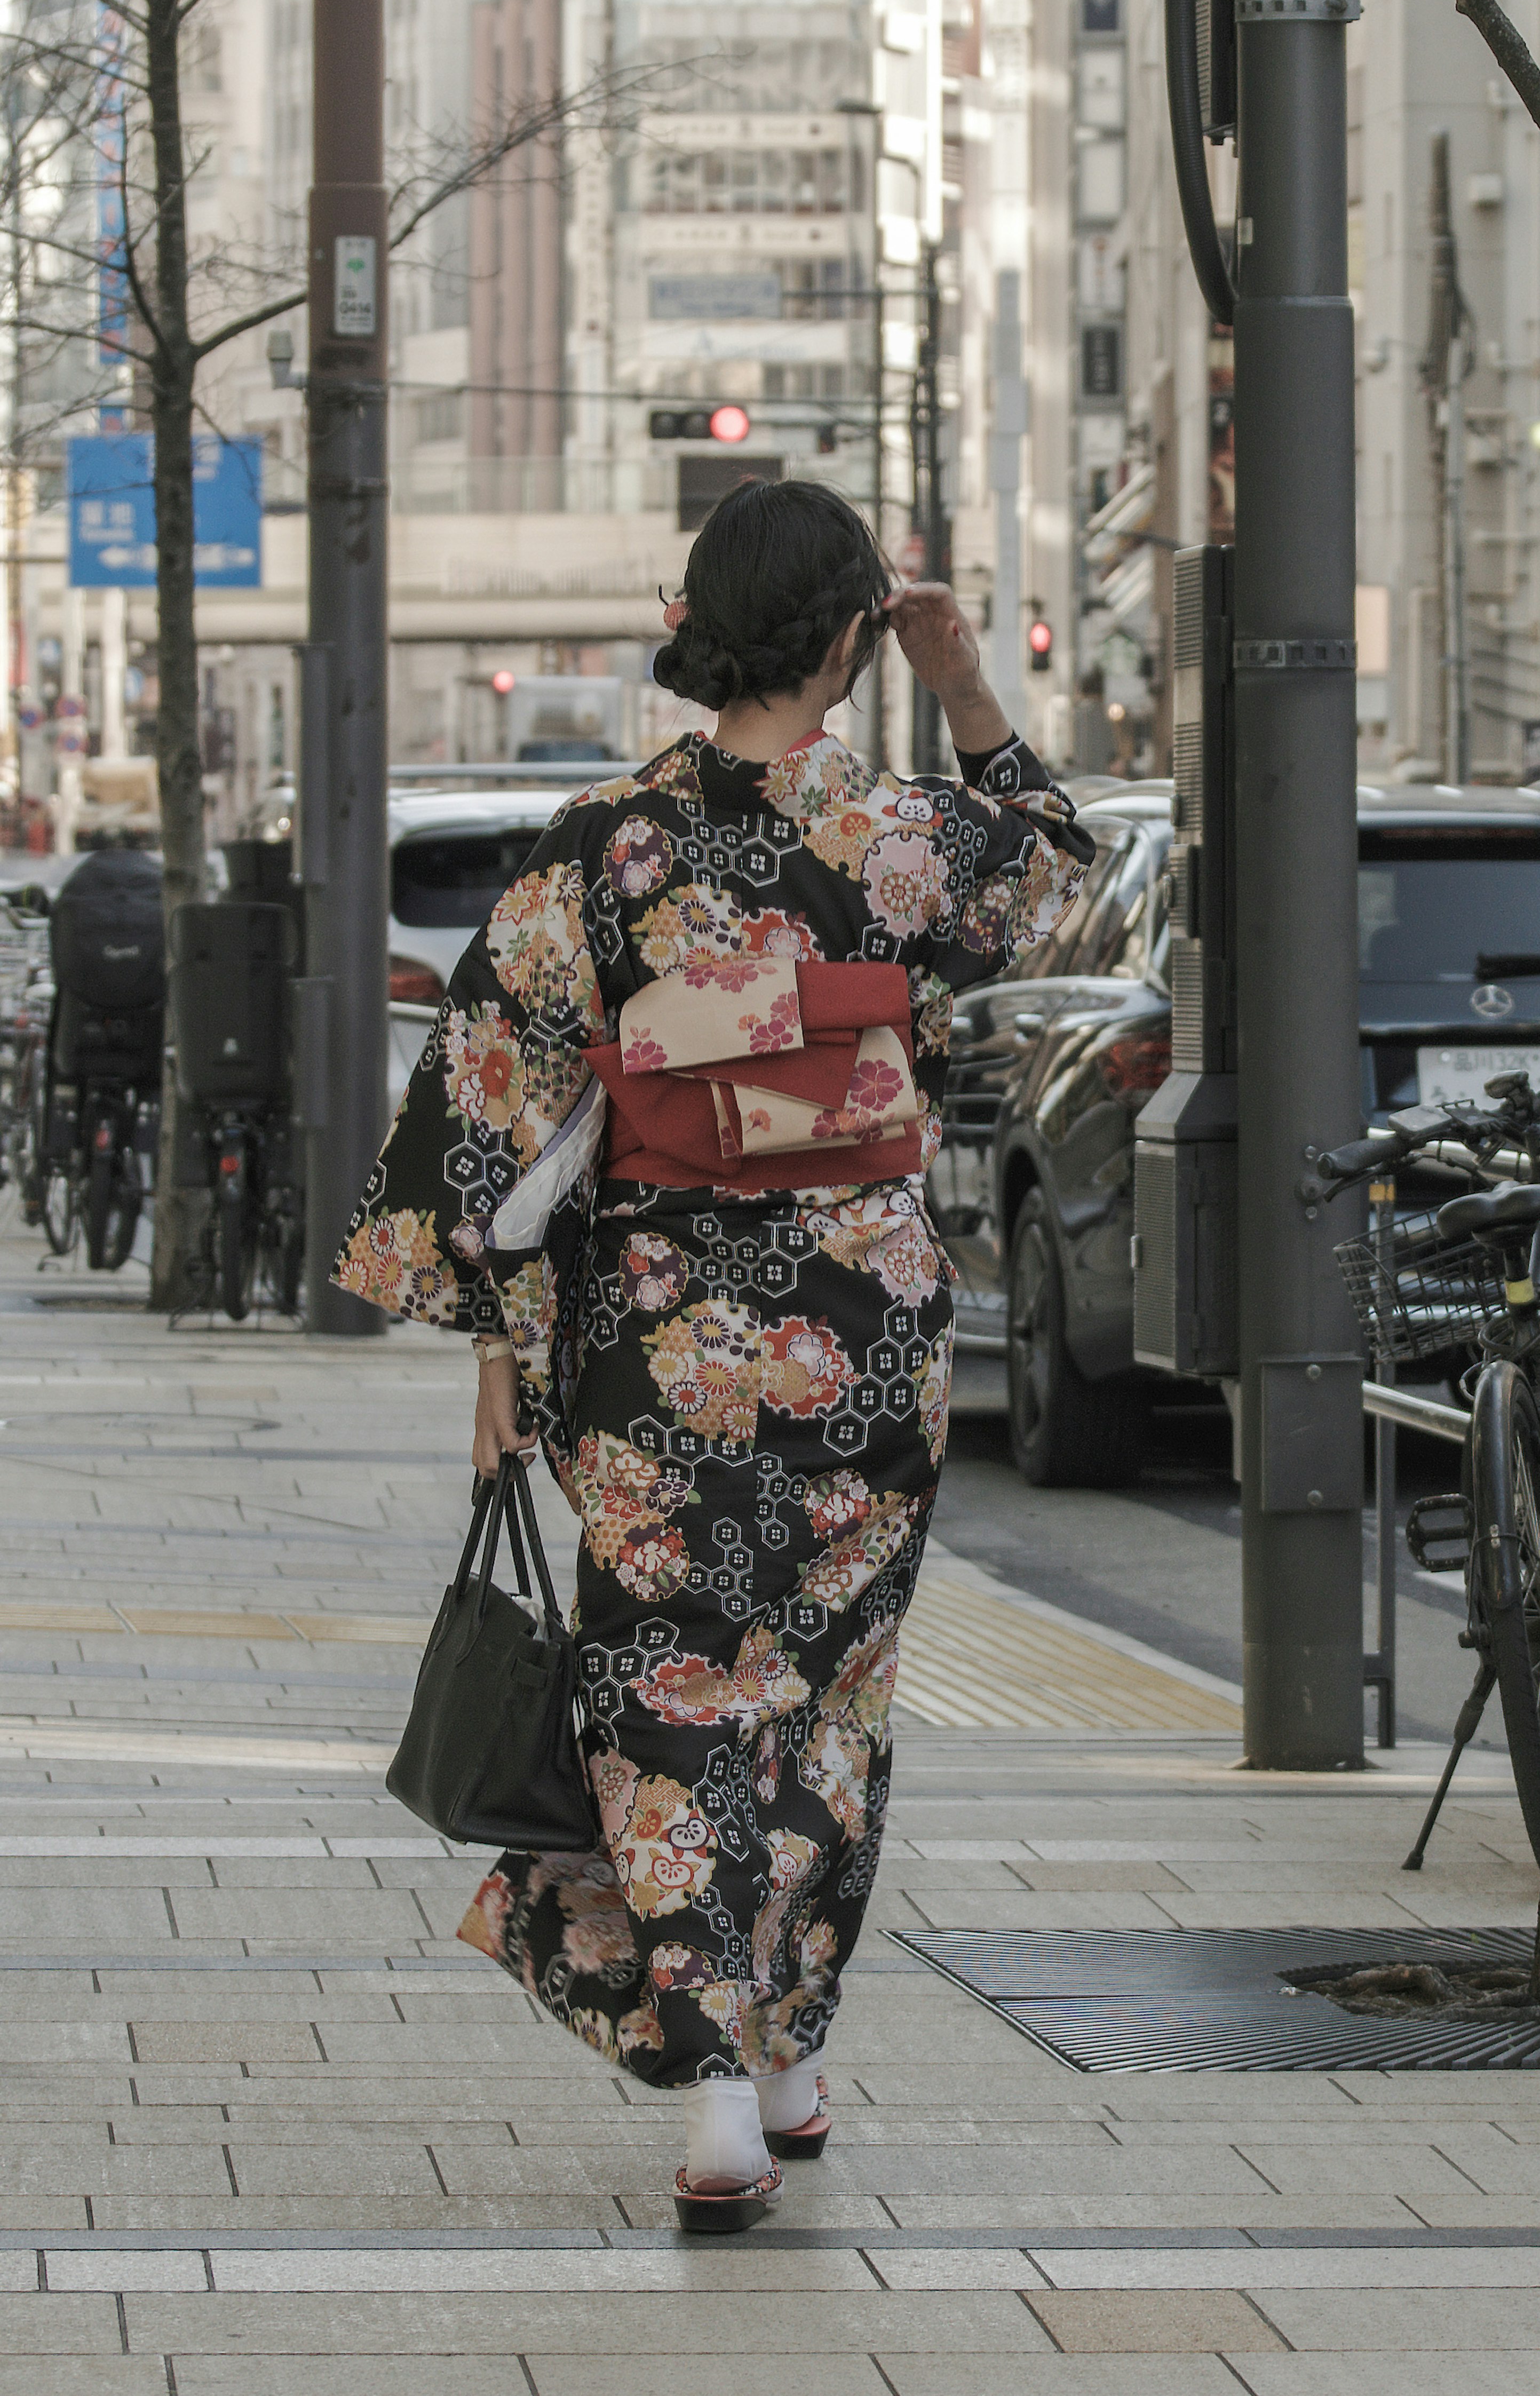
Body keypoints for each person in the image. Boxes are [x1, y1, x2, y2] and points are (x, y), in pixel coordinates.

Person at [335, 481, 1092, 2231]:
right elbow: (1054, 882)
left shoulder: (602, 846)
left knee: (673, 1701)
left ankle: (729, 2107)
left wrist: (501, 1355)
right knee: (826, 1698)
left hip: (662, 1352)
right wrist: (969, 686)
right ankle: (790, 2054)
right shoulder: (898, 834)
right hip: (859, 1340)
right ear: (848, 642)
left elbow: (494, 1136)